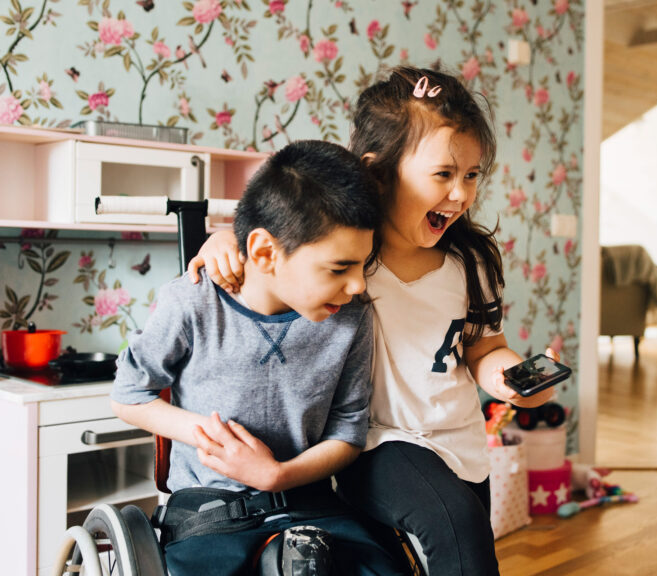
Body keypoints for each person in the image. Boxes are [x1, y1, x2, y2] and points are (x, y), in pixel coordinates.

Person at [189, 66, 558, 575]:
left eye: (472, 175)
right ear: (379, 171)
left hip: (459, 441)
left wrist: (512, 381)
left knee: (459, 552)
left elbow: (483, 347)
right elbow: (276, 236)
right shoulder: (347, 255)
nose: (461, 194)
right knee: (456, 529)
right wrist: (222, 240)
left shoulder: (469, 262)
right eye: (443, 175)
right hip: (374, 442)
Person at [111, 140, 406, 576]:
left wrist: (276, 476)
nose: (359, 285)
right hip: (211, 512)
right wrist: (211, 437)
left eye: (363, 265)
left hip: (310, 501)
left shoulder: (351, 319)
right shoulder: (194, 301)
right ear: (266, 253)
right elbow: (127, 395)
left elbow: (347, 433)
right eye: (340, 268)